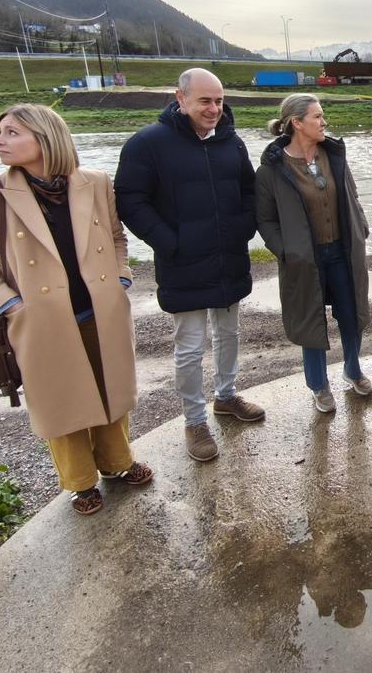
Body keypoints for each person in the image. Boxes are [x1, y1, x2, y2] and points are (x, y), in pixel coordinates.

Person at [0, 104, 150, 516]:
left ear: (44, 137)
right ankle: (80, 482)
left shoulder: (94, 182)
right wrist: (9, 303)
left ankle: (118, 462)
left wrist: (120, 278)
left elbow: (116, 237)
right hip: (41, 318)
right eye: (0, 132)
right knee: (61, 403)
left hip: (99, 308)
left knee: (109, 389)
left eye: (11, 133)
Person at [114, 69, 264, 464]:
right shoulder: (148, 144)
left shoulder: (231, 143)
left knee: (229, 333)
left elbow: (250, 191)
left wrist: (243, 228)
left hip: (228, 257)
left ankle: (226, 396)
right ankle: (194, 420)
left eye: (219, 101)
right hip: (182, 262)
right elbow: (129, 199)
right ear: (180, 99)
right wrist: (168, 241)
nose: (214, 109)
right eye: (205, 101)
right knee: (190, 346)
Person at [254, 94, 372, 412]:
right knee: (310, 322)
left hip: (343, 252)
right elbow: (264, 220)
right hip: (304, 258)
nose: (324, 122)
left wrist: (360, 227)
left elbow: (352, 194)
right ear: (296, 123)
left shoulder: (333, 155)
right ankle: (319, 386)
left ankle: (353, 369)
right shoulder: (271, 171)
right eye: (318, 117)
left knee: (352, 316)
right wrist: (285, 251)